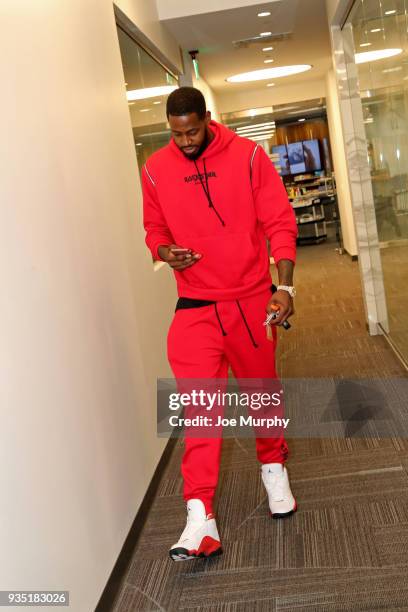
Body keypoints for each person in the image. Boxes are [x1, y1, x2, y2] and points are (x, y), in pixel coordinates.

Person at [142, 87, 298, 562]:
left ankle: (274, 468)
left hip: (250, 300)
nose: (185, 141)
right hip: (193, 305)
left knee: (261, 391)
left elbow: (279, 221)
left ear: (206, 118)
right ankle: (200, 516)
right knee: (200, 411)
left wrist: (284, 286)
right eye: (176, 134)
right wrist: (164, 251)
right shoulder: (153, 169)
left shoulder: (249, 156)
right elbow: (154, 230)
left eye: (192, 131)